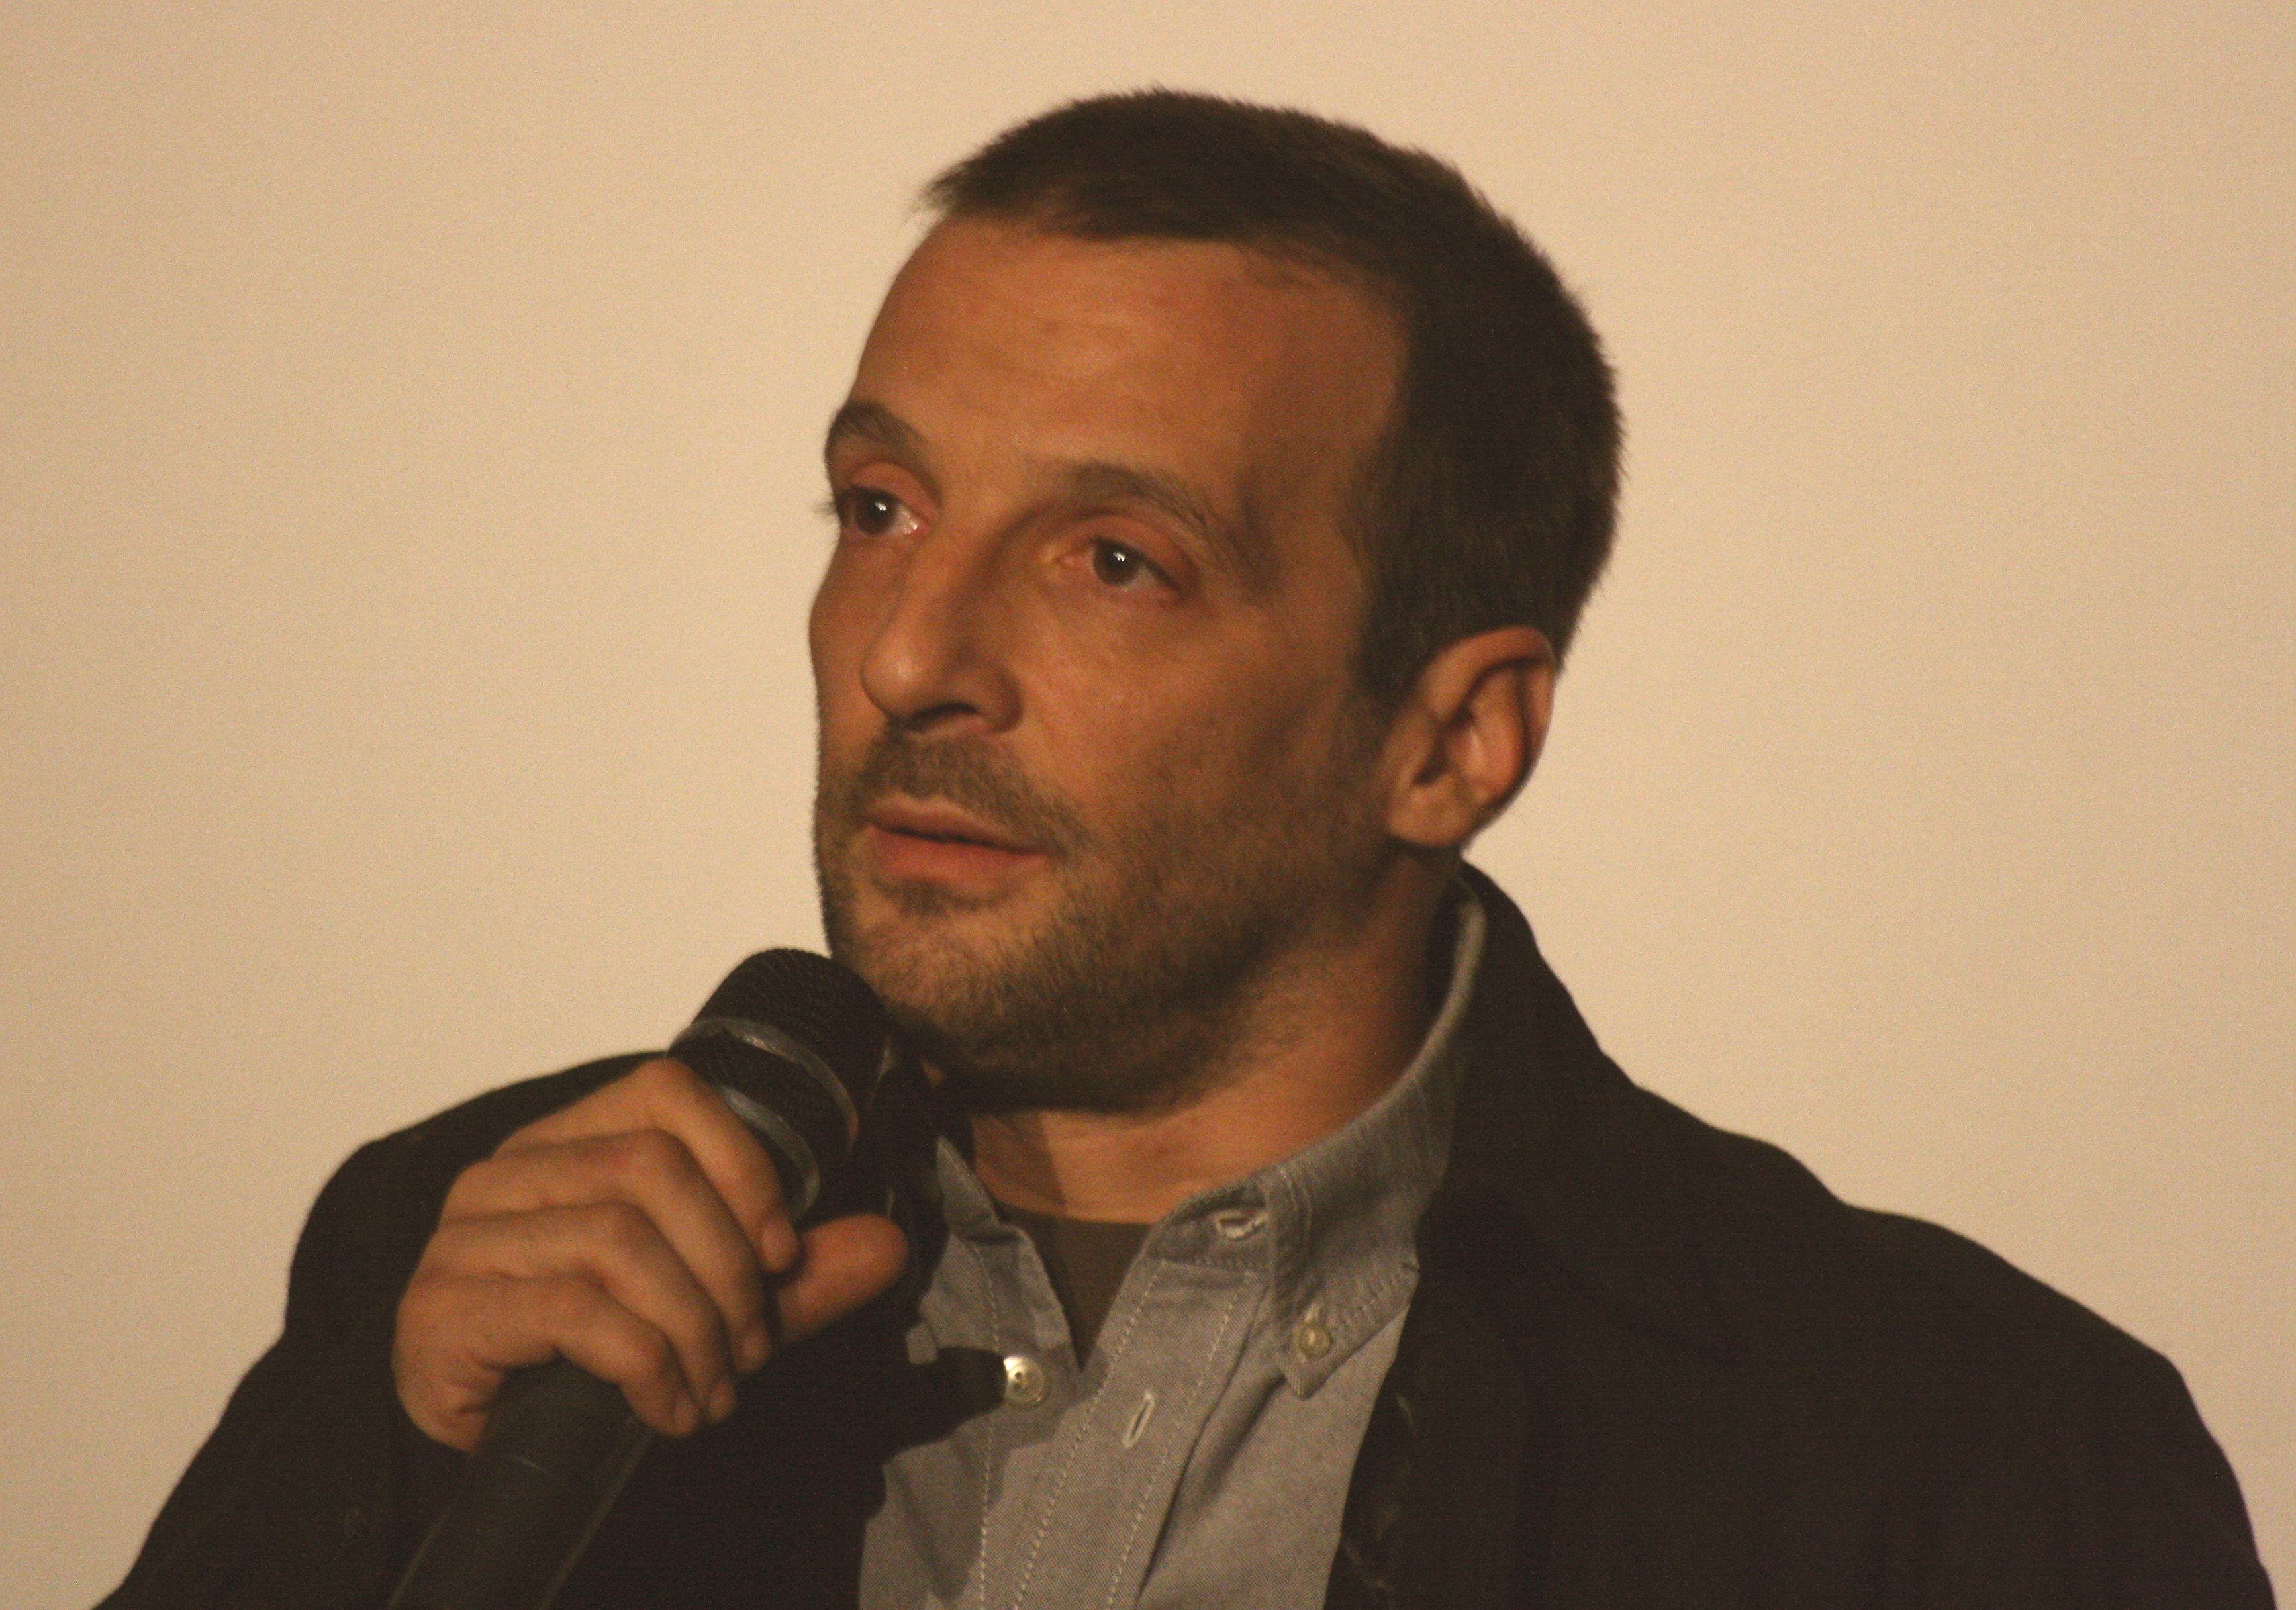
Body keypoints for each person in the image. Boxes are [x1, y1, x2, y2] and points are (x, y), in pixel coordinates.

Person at [106, 91, 2272, 1610]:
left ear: (1449, 740)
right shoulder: (481, 1267)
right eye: (880, 507)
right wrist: (386, 1489)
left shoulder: (1954, 1453)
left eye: (1114, 559)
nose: (910, 656)